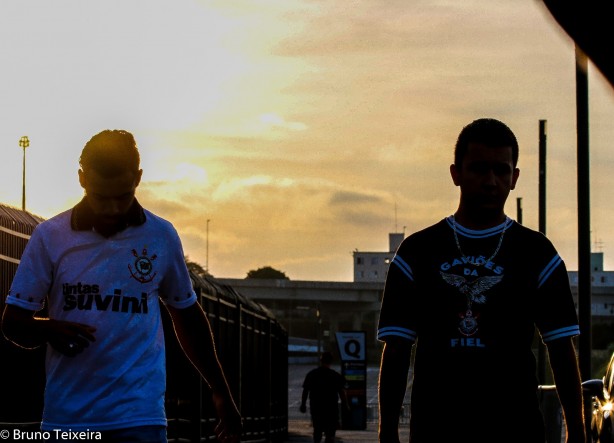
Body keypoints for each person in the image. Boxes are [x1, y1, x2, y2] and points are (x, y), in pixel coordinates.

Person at [1, 130, 242, 443]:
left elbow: (187, 315)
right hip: (69, 422)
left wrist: (221, 391)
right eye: (102, 197)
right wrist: (48, 329)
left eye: (123, 196)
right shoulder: (50, 236)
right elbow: (12, 323)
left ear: (138, 178)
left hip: (140, 418)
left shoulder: (161, 236)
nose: (113, 208)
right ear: (82, 179)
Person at [377, 118, 586, 443]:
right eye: (478, 169)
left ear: (514, 178)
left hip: (516, 429)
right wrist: (386, 431)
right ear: (456, 173)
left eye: (501, 171)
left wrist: (578, 429)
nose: (491, 181)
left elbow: (561, 348)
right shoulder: (416, 252)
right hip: (437, 428)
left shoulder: (537, 253)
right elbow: (397, 350)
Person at [300, 351, 349, 443]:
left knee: (317, 431)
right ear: (331, 362)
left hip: (316, 408)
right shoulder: (335, 376)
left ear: (321, 360)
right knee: (330, 434)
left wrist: (303, 404)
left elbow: (305, 390)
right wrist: (345, 406)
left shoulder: (312, 374)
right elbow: (342, 392)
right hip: (331, 409)